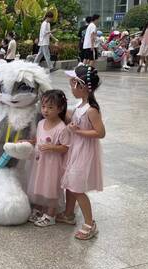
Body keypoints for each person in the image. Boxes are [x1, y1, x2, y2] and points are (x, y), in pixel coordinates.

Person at [60, 65, 105, 240]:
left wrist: (78, 132)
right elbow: (73, 118)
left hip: (84, 151)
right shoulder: (81, 105)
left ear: (83, 86)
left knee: (77, 188)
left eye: (73, 85)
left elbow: (100, 132)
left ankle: (89, 223)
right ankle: (69, 214)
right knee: (70, 183)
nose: (71, 88)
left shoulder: (92, 109)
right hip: (76, 148)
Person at [26, 90, 69, 227]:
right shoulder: (41, 123)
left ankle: (51, 215)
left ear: (60, 108)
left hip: (53, 164)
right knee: (39, 184)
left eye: (50, 107)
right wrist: (31, 142)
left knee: (52, 187)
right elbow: (39, 139)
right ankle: (40, 208)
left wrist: (53, 148)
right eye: (44, 106)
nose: (45, 110)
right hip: (40, 162)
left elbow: (66, 147)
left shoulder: (62, 128)